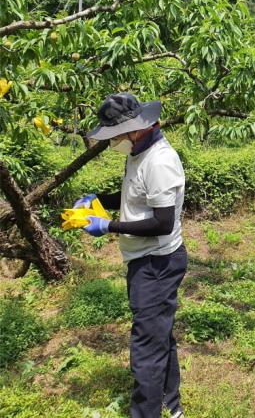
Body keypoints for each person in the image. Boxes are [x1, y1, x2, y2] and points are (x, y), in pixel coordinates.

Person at [74, 93, 187, 418]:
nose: (113, 142)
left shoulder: (159, 162)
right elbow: (134, 197)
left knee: (146, 349)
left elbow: (163, 223)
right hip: (144, 261)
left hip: (157, 264)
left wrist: (108, 226)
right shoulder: (139, 152)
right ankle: (170, 402)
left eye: (115, 135)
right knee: (157, 335)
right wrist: (99, 199)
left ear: (134, 129)